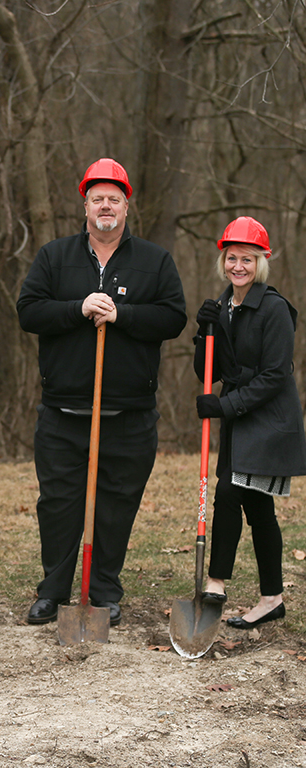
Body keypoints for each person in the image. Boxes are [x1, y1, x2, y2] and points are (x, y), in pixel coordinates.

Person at [16, 158, 186, 626]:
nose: (105, 206)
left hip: (128, 414)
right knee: (57, 505)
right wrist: (78, 308)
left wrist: (123, 315)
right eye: (97, 199)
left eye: (114, 198)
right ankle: (53, 590)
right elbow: (28, 311)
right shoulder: (55, 256)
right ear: (85, 206)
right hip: (63, 411)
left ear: (126, 207)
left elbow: (173, 318)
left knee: (116, 506)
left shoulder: (155, 261)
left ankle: (104, 591)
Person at [194, 216, 306, 629]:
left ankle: (216, 581)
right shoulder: (225, 305)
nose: (238, 266)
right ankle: (271, 598)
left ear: (261, 262)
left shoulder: (274, 308)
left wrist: (224, 407)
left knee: (228, 492)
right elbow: (207, 370)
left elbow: (276, 375)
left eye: (247, 258)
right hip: (240, 419)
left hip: (268, 420)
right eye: (231, 258)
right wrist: (204, 332)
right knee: (258, 509)